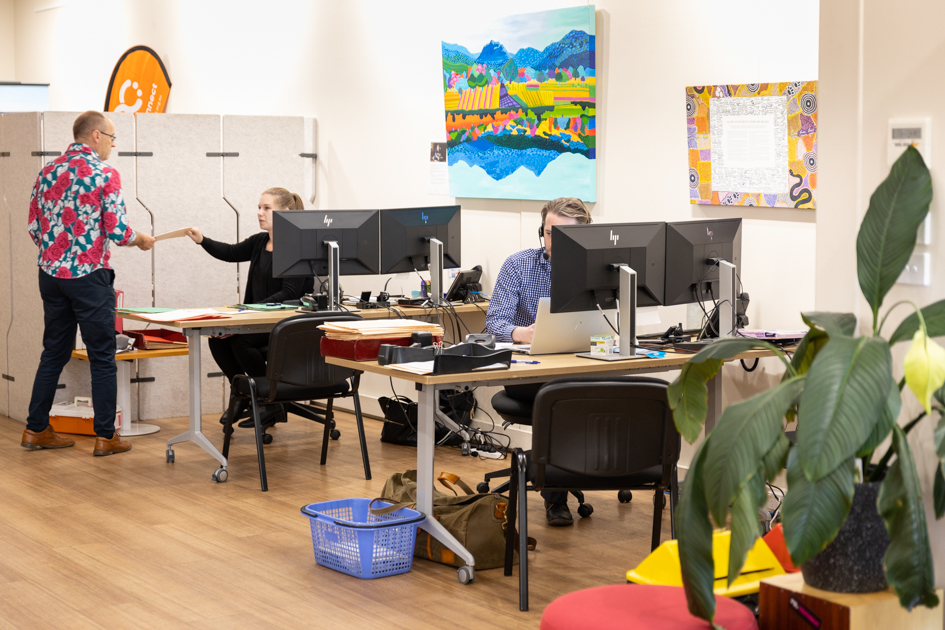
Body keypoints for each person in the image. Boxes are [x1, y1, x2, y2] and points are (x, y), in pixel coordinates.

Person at [22, 111, 156, 456]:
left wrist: (57, 252)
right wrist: (140, 239)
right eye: (112, 138)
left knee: (54, 352)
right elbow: (118, 231)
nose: (113, 145)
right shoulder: (104, 173)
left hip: (50, 275)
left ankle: (35, 429)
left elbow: (34, 227)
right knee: (102, 356)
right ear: (96, 135)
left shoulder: (47, 172)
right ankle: (106, 436)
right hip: (89, 276)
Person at [486, 197, 592, 526]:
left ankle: (604, 469)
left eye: (565, 235)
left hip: (581, 365)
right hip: (527, 374)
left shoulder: (600, 268)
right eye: (549, 233)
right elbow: (494, 323)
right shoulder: (518, 265)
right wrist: (521, 333)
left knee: (604, 388)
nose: (554, 242)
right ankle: (555, 496)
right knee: (559, 393)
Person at [186, 188, 310, 426]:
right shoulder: (260, 242)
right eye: (259, 207)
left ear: (285, 212)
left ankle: (267, 400)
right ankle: (243, 393)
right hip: (259, 320)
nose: (259, 213)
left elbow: (289, 294)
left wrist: (246, 309)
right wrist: (202, 240)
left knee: (241, 341)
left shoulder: (297, 248)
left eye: (267, 208)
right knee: (218, 338)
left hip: (284, 324)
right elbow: (230, 252)